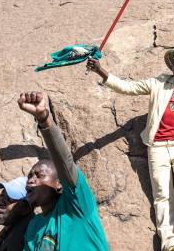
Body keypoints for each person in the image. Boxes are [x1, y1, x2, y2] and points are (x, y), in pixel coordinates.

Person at [86, 48, 174, 251]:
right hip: (157, 146)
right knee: (162, 194)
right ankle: (169, 243)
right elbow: (127, 87)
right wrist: (100, 71)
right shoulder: (158, 83)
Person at [17, 92, 109, 250]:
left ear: (59, 184)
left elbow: (65, 162)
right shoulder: (34, 227)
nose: (31, 180)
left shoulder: (77, 205)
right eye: (30, 176)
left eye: (40, 176)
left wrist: (43, 119)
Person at [0, 176, 34, 251]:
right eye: (2, 195)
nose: (0, 201)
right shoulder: (9, 229)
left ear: (26, 208)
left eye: (10, 199)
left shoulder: (25, 236)